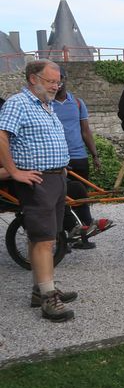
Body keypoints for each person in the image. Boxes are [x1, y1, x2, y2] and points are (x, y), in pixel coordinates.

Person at [0, 59, 76, 322]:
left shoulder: (46, 105)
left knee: (43, 236)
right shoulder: (18, 103)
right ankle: (48, 298)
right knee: (44, 240)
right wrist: (15, 171)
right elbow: (2, 135)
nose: (56, 86)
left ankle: (40, 288)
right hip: (37, 180)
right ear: (33, 78)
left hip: (55, 177)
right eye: (51, 81)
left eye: (58, 81)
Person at [51, 67, 113, 249]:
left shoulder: (77, 103)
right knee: (61, 199)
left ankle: (83, 236)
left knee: (80, 196)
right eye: (54, 79)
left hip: (79, 157)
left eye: (60, 78)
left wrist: (94, 155)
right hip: (59, 159)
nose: (58, 82)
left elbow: (86, 131)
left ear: (66, 78)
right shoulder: (46, 103)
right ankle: (62, 239)